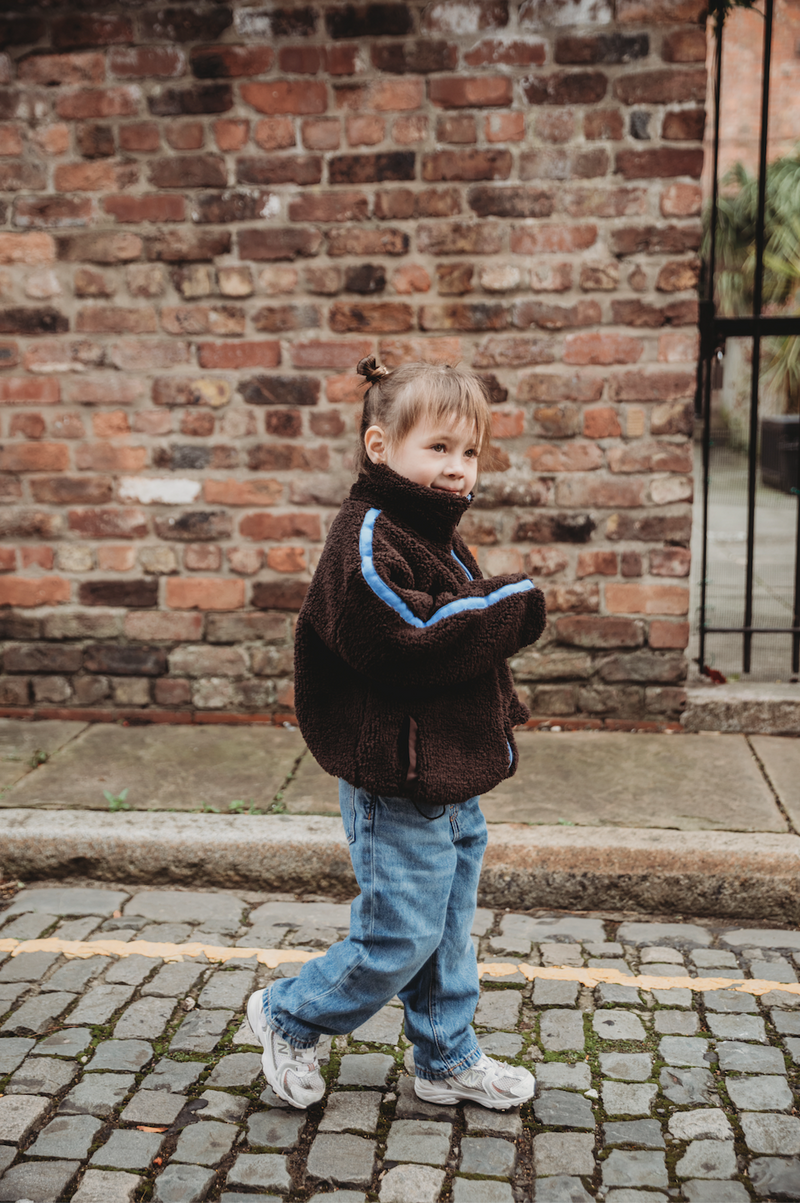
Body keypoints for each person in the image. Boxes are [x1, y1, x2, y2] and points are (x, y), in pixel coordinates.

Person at [247, 356, 547, 1112]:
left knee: (446, 931)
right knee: (399, 935)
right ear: (380, 446)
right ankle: (289, 1012)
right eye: (438, 448)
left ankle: (446, 1056)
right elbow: (412, 636)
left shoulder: (432, 532)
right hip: (397, 779)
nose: (457, 468)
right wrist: (513, 599)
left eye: (470, 451)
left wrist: (496, 716)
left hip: (449, 776)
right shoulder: (369, 536)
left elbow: (463, 654)